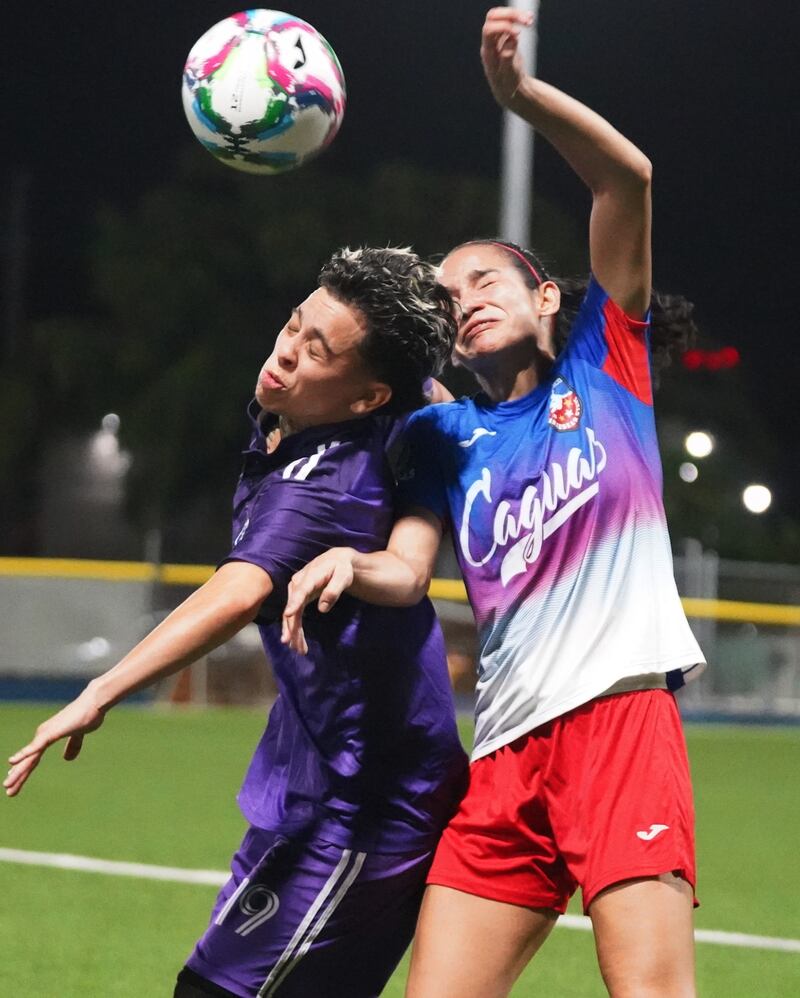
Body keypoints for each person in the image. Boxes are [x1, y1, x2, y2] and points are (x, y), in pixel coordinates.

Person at [282, 9, 706, 997]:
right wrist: (353, 563)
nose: (462, 293)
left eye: (484, 277)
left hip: (618, 727)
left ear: (548, 295)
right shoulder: (442, 437)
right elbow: (405, 564)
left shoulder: (608, 362)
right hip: (507, 754)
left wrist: (519, 99)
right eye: (445, 292)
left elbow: (626, 178)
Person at [4, 246, 468, 998]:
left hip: (368, 804)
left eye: (317, 348)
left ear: (366, 397)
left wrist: (101, 690)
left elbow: (238, 592)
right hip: (318, 780)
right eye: (294, 322)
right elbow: (423, 399)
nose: (288, 349)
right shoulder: (326, 414)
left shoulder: (325, 483)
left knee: (215, 991)